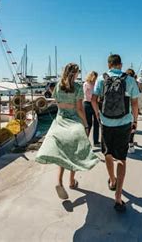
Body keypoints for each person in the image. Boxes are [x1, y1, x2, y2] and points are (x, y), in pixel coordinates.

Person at [36, 63, 99, 200]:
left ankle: (59, 181)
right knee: (75, 152)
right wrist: (86, 124)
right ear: (74, 73)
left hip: (60, 121)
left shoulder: (58, 86)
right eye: (77, 72)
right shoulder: (77, 87)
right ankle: (71, 181)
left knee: (62, 154)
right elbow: (79, 109)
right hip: (73, 123)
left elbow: (58, 106)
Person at [91, 54, 139, 213]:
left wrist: (98, 115)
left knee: (108, 153)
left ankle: (112, 180)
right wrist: (135, 121)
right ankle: (118, 198)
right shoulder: (130, 80)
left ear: (109, 64)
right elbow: (134, 103)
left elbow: (93, 99)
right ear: (120, 64)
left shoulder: (101, 79)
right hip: (124, 123)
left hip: (106, 122)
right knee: (122, 159)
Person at [83, 71, 100, 146]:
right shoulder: (89, 84)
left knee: (93, 123)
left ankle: (92, 141)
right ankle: (90, 141)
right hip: (90, 103)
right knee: (91, 123)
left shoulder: (87, 84)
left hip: (89, 103)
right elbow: (90, 96)